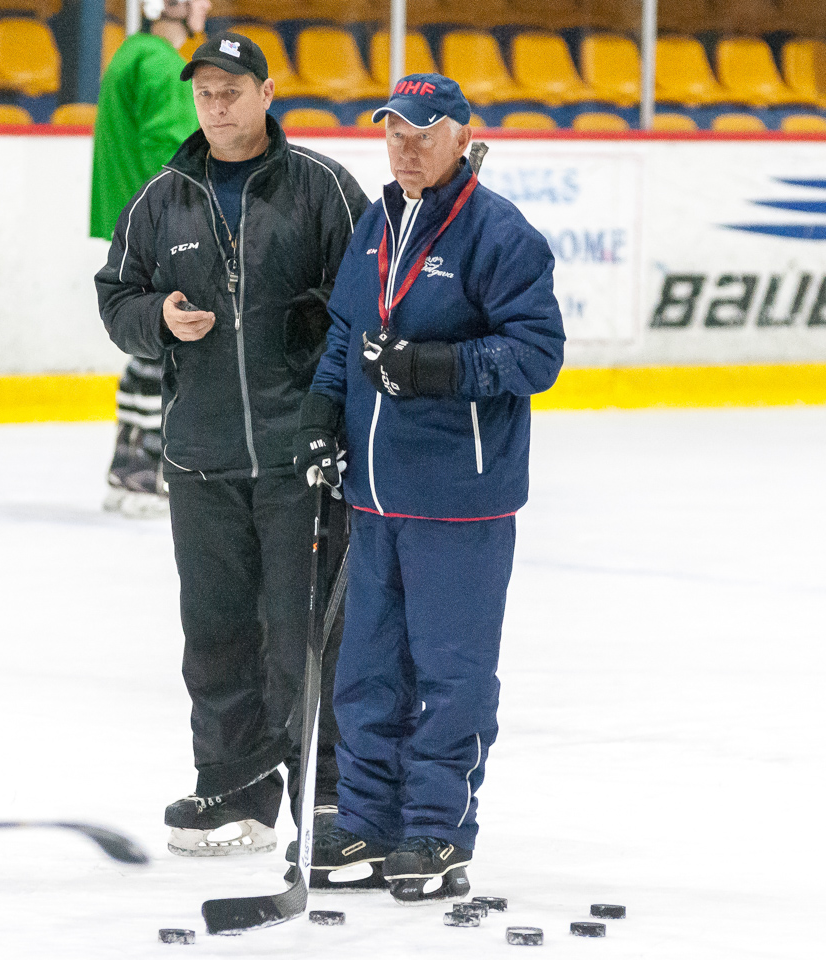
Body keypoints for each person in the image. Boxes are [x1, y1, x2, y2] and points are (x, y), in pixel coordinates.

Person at [96, 31, 369, 858]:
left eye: (231, 90)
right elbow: (116, 298)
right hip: (201, 458)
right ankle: (232, 791)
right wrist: (158, 321)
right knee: (215, 635)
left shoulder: (322, 187)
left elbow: (364, 300)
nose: (216, 106)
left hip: (299, 456)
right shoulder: (161, 196)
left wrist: (314, 334)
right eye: (205, 93)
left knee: (308, 636)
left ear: (266, 92)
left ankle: (328, 800)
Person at [293, 74, 565, 901]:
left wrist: (434, 368)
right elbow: (346, 331)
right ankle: (368, 823)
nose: (405, 147)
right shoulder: (377, 224)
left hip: (460, 497)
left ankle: (436, 831)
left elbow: (536, 356)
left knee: (449, 672)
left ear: (459, 135)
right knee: (367, 671)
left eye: (422, 131)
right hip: (375, 494)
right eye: (393, 132)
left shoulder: (499, 234)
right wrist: (319, 414)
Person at [91, 0, 211, 518]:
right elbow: (174, 150)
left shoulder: (129, 53)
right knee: (162, 342)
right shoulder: (162, 64)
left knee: (148, 341)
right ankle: (144, 460)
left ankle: (129, 456)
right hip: (158, 227)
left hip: (131, 221)